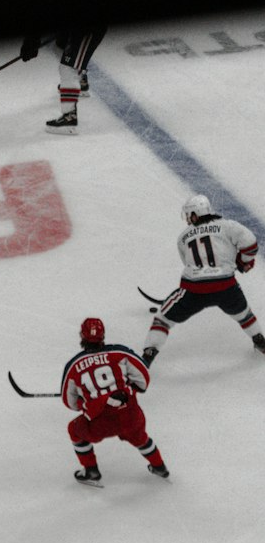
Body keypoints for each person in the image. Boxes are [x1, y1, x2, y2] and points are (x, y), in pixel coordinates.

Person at [142, 195, 264, 365]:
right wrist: (243, 261)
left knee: (163, 319)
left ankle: (148, 355)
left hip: (194, 289)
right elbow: (250, 244)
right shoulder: (227, 226)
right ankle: (259, 340)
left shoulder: (183, 237)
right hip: (226, 286)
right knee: (244, 315)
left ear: (194, 214)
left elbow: (189, 263)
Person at [63, 317, 168, 485]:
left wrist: (85, 401)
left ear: (81, 336)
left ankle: (91, 470)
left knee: (74, 430)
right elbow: (143, 380)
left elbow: (70, 403)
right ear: (103, 335)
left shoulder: (74, 366)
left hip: (99, 423)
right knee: (139, 436)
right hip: (130, 415)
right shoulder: (120, 353)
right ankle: (159, 466)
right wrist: (132, 387)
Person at [20, 0, 107, 136]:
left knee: (67, 68)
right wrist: (32, 41)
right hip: (79, 26)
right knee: (60, 46)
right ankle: (80, 83)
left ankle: (69, 119)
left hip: (89, 28)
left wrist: (32, 41)